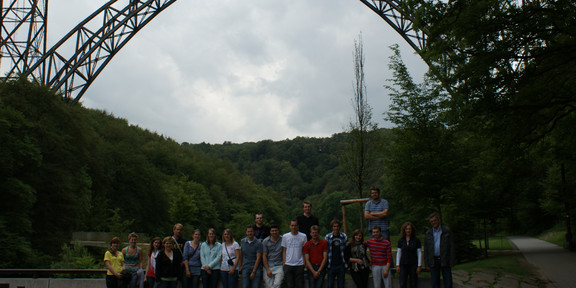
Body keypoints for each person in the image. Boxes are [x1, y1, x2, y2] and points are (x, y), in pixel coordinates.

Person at [423, 213, 455, 288]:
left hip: (444, 259)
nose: (434, 222)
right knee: (435, 282)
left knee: (448, 281)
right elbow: (426, 249)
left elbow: (451, 246)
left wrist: (452, 260)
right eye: (432, 221)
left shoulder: (446, 231)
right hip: (433, 260)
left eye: (435, 220)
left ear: (439, 220)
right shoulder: (428, 233)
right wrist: (427, 263)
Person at [281, 219, 307, 288]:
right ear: (290, 226)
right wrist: (284, 262)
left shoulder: (303, 236)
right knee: (289, 285)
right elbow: (284, 250)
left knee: (300, 285)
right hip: (288, 264)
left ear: (298, 226)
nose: (293, 227)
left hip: (299, 264)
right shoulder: (285, 236)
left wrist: (304, 262)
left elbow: (304, 251)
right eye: (292, 225)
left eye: (295, 225)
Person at [397, 222, 422, 288]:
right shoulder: (401, 240)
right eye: (407, 229)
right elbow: (399, 253)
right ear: (404, 230)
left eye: (410, 229)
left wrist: (419, 266)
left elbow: (419, 253)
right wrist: (397, 265)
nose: (408, 230)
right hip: (403, 264)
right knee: (402, 283)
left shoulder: (416, 240)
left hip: (413, 264)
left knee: (413, 283)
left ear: (412, 230)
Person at [325, 220, 347, 288]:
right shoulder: (327, 237)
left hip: (341, 264)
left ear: (339, 227)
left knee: (341, 285)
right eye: (334, 226)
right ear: (332, 227)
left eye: (337, 226)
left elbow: (346, 249)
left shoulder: (344, 236)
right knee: (330, 285)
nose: (336, 228)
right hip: (331, 265)